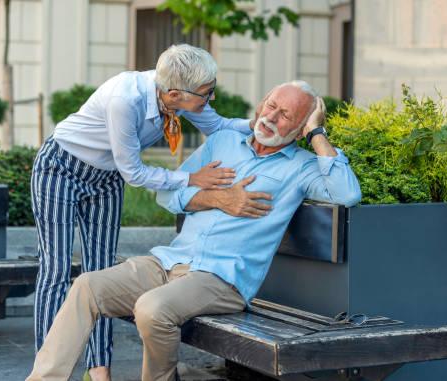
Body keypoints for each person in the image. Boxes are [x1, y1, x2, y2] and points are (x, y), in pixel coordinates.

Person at [26, 81, 361, 381]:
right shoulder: (223, 142)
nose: (271, 117)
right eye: (271, 105)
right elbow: (168, 193)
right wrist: (217, 199)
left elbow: (347, 193)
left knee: (153, 309)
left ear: (302, 127)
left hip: (220, 277)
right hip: (169, 262)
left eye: (286, 115)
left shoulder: (300, 168)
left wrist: (318, 135)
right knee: (87, 286)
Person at [31, 44, 258, 381]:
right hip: (61, 168)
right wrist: (191, 178)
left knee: (100, 271)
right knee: (57, 268)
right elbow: (134, 173)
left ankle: (99, 371)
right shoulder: (126, 99)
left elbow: (220, 127)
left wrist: (262, 123)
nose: (210, 99)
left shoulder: (179, 96)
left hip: (105, 178)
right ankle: (47, 370)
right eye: (207, 93)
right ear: (176, 93)